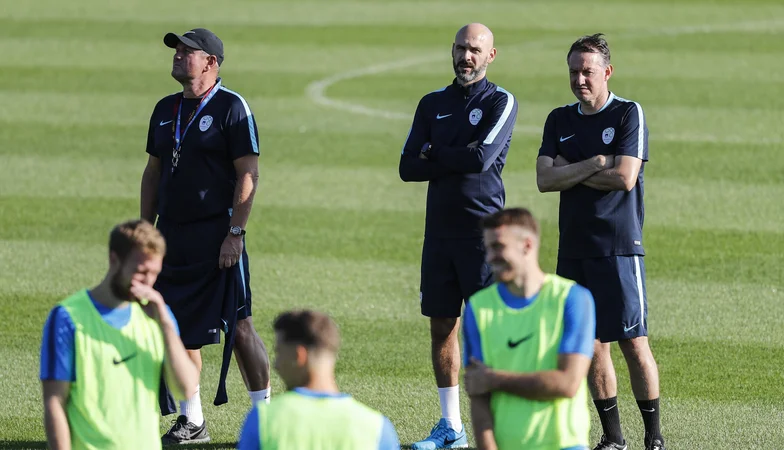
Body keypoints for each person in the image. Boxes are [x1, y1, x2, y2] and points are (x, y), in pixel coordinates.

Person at [140, 27, 271, 445]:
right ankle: (191, 418)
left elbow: (247, 174)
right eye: (176, 51)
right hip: (171, 236)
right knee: (176, 327)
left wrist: (235, 233)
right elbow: (154, 171)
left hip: (219, 234)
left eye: (186, 52)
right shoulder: (165, 109)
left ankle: (265, 420)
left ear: (210, 63)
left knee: (241, 325)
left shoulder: (233, 108)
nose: (178, 56)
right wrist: (145, 230)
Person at [535, 33, 665, 450]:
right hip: (573, 249)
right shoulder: (559, 119)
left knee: (632, 341)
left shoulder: (628, 114)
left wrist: (568, 172)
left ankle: (654, 438)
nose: (579, 80)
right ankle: (614, 439)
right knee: (590, 345)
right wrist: (593, 164)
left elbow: (626, 177)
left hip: (618, 246)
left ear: (607, 72)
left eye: (587, 71)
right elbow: (543, 179)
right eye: (573, 71)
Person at [398, 22, 518, 450]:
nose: (466, 57)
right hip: (440, 236)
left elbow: (483, 158)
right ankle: (452, 427)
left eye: (475, 50)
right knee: (442, 328)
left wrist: (436, 154)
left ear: (491, 56)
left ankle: (500, 428)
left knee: (488, 333)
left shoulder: (500, 101)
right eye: (461, 48)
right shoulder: (432, 103)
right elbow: (407, 166)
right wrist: (453, 157)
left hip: (483, 237)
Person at [39, 219, 200, 450]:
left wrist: (164, 322)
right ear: (114, 260)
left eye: (154, 273)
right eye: (140, 271)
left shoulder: (159, 316)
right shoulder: (67, 317)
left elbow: (186, 388)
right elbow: (55, 402)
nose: (148, 281)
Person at [462, 207, 596, 450]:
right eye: (488, 248)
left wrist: (493, 378)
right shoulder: (478, 308)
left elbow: (567, 383)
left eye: (498, 247)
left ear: (527, 245)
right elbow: (478, 394)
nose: (490, 257)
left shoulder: (572, 299)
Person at [237, 309, 401, 449]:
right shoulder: (378, 428)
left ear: (298, 356)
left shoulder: (264, 419)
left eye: (279, 353)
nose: (276, 364)